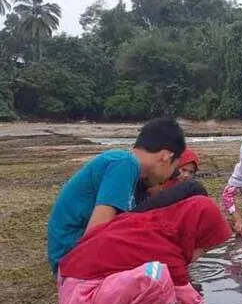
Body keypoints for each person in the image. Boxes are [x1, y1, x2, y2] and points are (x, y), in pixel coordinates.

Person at [56, 195, 235, 304]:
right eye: (203, 249)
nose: (199, 256)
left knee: (164, 282)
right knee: (157, 277)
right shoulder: (166, 251)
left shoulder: (151, 225)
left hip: (74, 287)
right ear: (193, 235)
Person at [46, 117, 185, 277]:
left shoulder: (129, 170)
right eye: (174, 168)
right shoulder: (125, 163)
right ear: (165, 157)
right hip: (73, 260)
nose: (170, 176)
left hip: (71, 257)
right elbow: (96, 232)